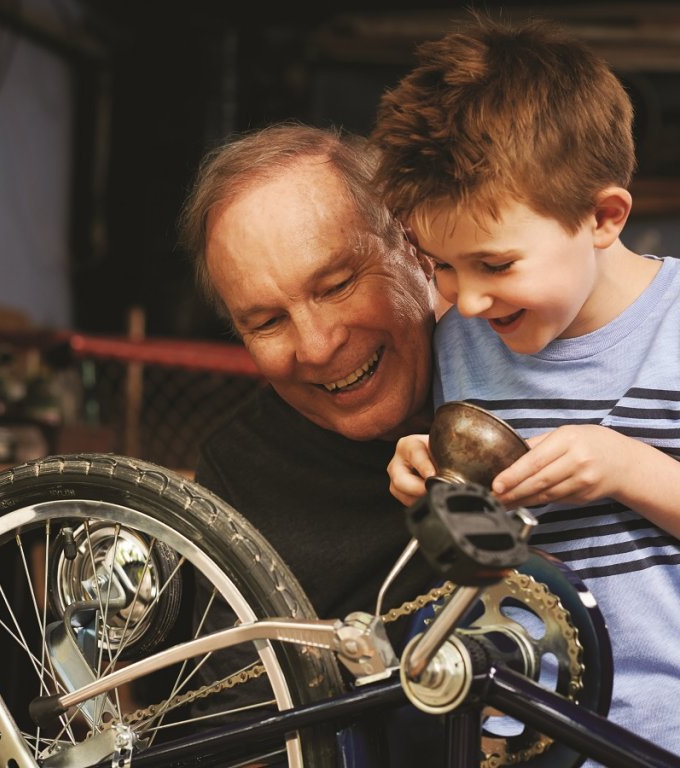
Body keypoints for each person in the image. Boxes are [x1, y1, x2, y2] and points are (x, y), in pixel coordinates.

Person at [371, 12, 680, 762]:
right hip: (507, 736)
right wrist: (427, 470)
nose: (468, 300)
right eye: (442, 265)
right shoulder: (462, 342)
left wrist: (630, 469)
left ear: (603, 217)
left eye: (496, 265)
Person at [176, 121, 445, 764]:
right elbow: (240, 735)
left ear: (413, 244)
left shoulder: (525, 368)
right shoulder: (241, 473)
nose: (318, 345)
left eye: (337, 284)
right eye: (267, 321)